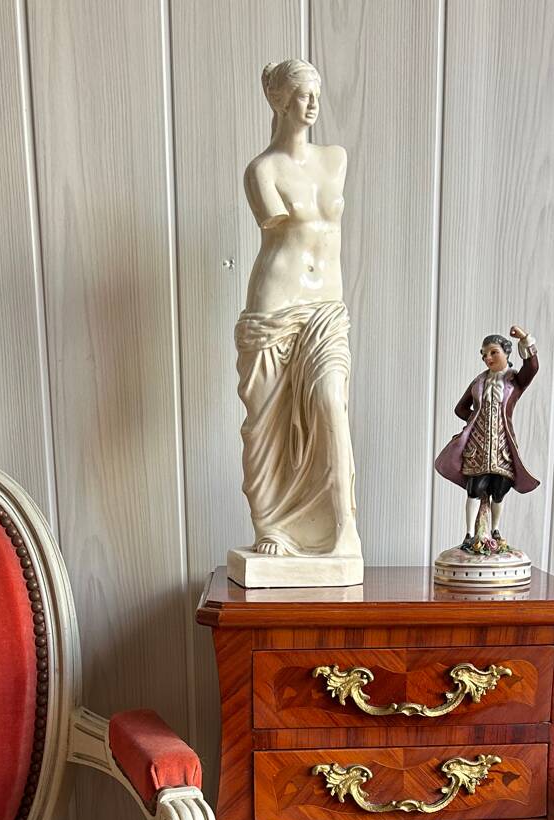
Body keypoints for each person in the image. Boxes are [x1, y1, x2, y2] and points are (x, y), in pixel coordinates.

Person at [234, 60, 360, 563]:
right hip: (274, 306)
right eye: (303, 94)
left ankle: (344, 528)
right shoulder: (262, 171)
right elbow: (277, 230)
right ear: (280, 101)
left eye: (316, 93)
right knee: (265, 426)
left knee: (332, 403)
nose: (313, 103)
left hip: (326, 306)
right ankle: (275, 526)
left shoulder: (336, 159)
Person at [434, 325, 539, 550]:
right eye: (484, 354)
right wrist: (477, 419)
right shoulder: (479, 382)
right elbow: (460, 408)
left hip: (502, 446)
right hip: (478, 447)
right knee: (474, 488)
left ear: (506, 352)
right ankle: (470, 533)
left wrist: (525, 340)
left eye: (493, 352)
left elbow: (532, 367)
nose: (487, 358)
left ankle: (495, 530)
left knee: (499, 491)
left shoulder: (514, 381)